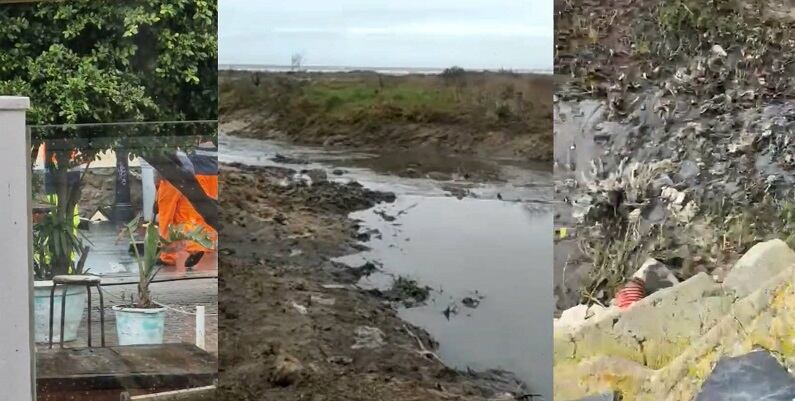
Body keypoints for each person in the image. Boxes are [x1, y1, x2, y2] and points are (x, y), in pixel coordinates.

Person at [155, 142, 218, 267]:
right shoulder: (185, 151)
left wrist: (156, 195)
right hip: (197, 176)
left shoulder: (159, 148)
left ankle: (168, 256)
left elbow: (156, 173)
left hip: (169, 181)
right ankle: (197, 246)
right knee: (192, 215)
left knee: (167, 218)